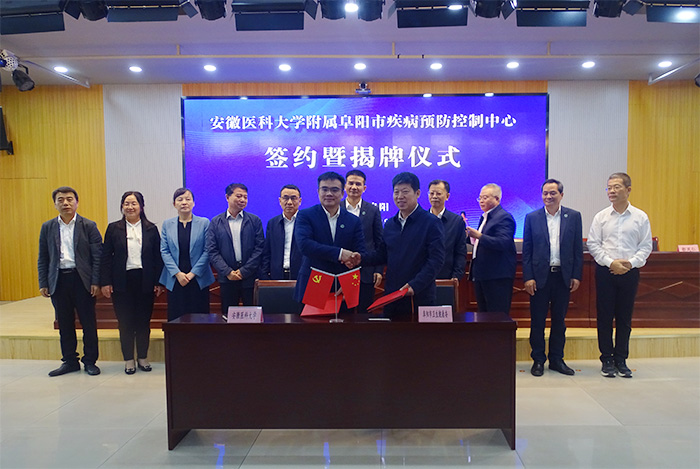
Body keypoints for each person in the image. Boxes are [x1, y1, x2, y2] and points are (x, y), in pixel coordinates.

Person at [588, 172, 652, 378]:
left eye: (616, 187)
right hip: (605, 271)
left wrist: (630, 263)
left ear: (628, 189)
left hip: (630, 272)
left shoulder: (640, 217)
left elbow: (645, 246)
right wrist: (611, 263)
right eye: (609, 188)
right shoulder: (601, 217)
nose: (612, 191)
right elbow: (593, 244)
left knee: (624, 317)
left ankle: (621, 359)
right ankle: (606, 359)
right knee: (605, 317)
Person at [38, 186, 102, 377]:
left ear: (77, 202)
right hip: (58, 280)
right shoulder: (47, 227)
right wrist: (43, 282)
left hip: (82, 280)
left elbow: (97, 256)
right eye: (60, 200)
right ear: (55, 204)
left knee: (88, 323)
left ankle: (90, 361)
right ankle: (70, 361)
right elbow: (43, 257)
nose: (65, 203)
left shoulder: (88, 225)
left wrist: (96, 281)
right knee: (64, 324)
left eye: (69, 199)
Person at [363, 172, 445, 320]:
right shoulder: (390, 224)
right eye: (396, 192)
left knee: (417, 334)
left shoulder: (431, 222)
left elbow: (436, 260)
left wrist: (415, 285)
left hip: (418, 295)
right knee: (392, 334)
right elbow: (382, 255)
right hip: (392, 296)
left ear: (417, 193)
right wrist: (359, 258)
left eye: (405, 191)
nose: (400, 196)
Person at [522, 179, 583, 377]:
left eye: (553, 193)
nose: (548, 196)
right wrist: (528, 277)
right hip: (539, 277)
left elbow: (577, 249)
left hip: (563, 277)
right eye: (545, 193)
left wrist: (576, 275)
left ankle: (557, 359)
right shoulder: (532, 217)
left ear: (561, 195)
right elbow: (527, 251)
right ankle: (538, 360)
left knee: (559, 321)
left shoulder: (573, 216)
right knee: (537, 321)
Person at [100, 191, 164, 374]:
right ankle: (128, 359)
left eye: (134, 203)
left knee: (143, 321)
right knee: (125, 322)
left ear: (141, 207)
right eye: (126, 203)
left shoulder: (151, 228)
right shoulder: (114, 228)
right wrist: (105, 282)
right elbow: (106, 257)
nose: (130, 207)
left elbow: (157, 257)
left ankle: (142, 357)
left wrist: (158, 282)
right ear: (122, 206)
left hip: (145, 280)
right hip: (122, 281)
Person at [293, 171, 365, 308]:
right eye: (324, 189)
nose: (329, 194)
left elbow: (360, 253)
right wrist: (340, 254)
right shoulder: (305, 215)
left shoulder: (353, 221)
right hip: (314, 282)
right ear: (318, 191)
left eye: (334, 190)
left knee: (346, 321)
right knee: (310, 322)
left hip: (342, 287)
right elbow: (305, 245)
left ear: (342, 193)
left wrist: (351, 281)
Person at [206, 183, 264, 314]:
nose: (242, 200)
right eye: (239, 196)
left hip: (250, 277)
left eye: (245, 197)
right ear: (227, 197)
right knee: (228, 316)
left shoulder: (255, 221)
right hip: (227, 278)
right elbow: (212, 251)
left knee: (252, 316)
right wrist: (228, 272)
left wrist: (243, 271)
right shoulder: (216, 222)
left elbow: (259, 249)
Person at [160, 188, 215, 321]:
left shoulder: (204, 223)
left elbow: (207, 250)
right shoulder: (167, 224)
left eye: (188, 199)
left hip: (198, 278)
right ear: (174, 204)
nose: (184, 202)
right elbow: (164, 251)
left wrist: (192, 274)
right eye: (180, 200)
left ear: (193, 203)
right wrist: (178, 274)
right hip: (175, 279)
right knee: (176, 319)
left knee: (199, 319)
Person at [467, 183, 517, 315]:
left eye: (485, 197)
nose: (481, 201)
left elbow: (503, 243)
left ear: (497, 199)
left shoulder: (504, 217)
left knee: (497, 315)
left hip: (497, 276)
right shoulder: (485, 217)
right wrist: (469, 236)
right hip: (482, 274)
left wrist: (479, 236)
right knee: (483, 314)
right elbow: (481, 243)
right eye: (480, 198)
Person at [344, 170, 384, 313]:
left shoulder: (373, 210)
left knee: (364, 313)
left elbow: (379, 243)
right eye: (351, 183)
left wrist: (378, 270)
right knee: (343, 313)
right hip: (340, 271)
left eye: (358, 184)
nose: (354, 187)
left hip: (366, 271)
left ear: (364, 188)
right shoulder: (336, 208)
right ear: (345, 186)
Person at [260, 184, 303, 280]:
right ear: (280, 201)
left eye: (293, 198)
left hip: (301, 275)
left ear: (299, 201)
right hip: (277, 276)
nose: (289, 202)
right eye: (285, 198)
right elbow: (267, 252)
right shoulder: (272, 223)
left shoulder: (307, 222)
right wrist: (265, 276)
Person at [428, 179, 467, 281]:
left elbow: (460, 252)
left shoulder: (457, 221)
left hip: (447, 277)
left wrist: (456, 276)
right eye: (431, 193)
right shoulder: (421, 219)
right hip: (422, 278)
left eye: (438, 193)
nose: (434, 196)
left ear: (447, 196)